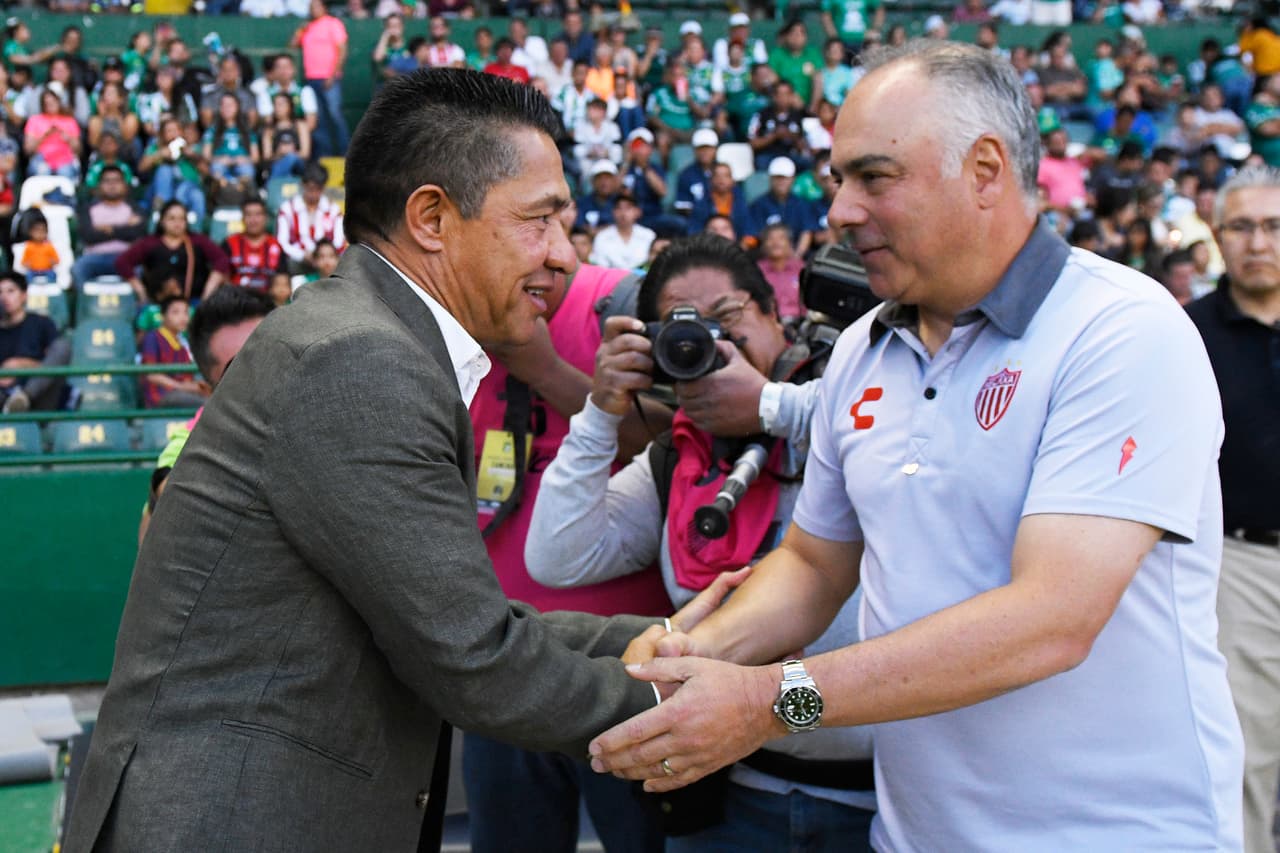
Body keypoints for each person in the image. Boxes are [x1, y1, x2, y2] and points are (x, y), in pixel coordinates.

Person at [590, 41, 1244, 852]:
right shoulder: (864, 348)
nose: (838, 211)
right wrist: (694, 656)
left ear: (985, 169)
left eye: (873, 177)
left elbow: (1052, 620)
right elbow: (814, 565)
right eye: (837, 180)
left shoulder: (1121, 332)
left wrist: (769, 699)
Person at [60, 68, 706, 852]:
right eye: (539, 221)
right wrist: (725, 695)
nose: (564, 258)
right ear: (432, 216)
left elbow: (460, 618)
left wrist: (674, 636)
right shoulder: (362, 361)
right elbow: (475, 657)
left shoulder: (362, 338)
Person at [528, 234, 876, 851]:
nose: (707, 343)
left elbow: (919, 418)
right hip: (734, 797)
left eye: (727, 319)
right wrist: (603, 407)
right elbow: (557, 555)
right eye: (682, 330)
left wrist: (771, 408)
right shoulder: (681, 460)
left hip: (880, 800)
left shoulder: (842, 408)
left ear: (775, 311)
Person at [463, 243, 673, 853]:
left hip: (633, 664)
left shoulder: (625, 302)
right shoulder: (452, 324)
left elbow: (677, 447)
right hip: (503, 662)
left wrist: (542, 368)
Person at [1187, 165, 1280, 853]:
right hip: (1241, 560)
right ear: (1217, 236)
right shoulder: (1186, 334)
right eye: (1242, 226)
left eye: (1274, 226)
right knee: (1248, 753)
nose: (1258, 242)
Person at [138, 286, 277, 545]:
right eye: (237, 370)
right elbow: (164, 495)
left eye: (272, 354)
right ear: (208, 392)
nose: (263, 374)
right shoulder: (193, 441)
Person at [115, 201, 230, 305]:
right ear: (162, 221)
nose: (177, 223)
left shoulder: (198, 241)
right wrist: (140, 290)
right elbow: (123, 262)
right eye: (172, 218)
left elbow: (222, 260)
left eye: (182, 219)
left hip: (193, 301)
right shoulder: (150, 243)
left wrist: (208, 292)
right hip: (157, 303)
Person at [0, 270, 70, 414]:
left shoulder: (42, 323)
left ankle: (22, 399)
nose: (4, 297)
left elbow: (54, 363)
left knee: (62, 346)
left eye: (10, 291)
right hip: (3, 396)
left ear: (24, 295)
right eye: (0, 292)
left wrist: (21, 365)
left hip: (39, 396)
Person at [72, 165, 146, 290]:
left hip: (126, 257)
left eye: (116, 181)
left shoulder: (135, 209)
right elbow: (88, 236)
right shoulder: (88, 209)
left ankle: (139, 308)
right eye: (107, 181)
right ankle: (84, 307)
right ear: (99, 186)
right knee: (79, 268)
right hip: (94, 258)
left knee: (140, 268)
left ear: (125, 185)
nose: (112, 185)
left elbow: (138, 233)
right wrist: (125, 227)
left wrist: (108, 229)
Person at [292, 0, 350, 157]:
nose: (313, 9)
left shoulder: (333, 23)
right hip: (311, 79)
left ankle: (346, 153)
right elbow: (292, 45)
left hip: (330, 78)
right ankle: (324, 154)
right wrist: (300, 31)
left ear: (324, 7)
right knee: (318, 119)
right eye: (311, 7)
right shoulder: (307, 27)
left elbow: (342, 51)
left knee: (335, 115)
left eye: (316, 6)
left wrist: (332, 76)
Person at [140, 296, 207, 409]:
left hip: (180, 392)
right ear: (163, 316)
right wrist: (180, 386)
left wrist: (199, 387)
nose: (183, 317)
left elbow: (186, 378)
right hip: (160, 396)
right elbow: (151, 375)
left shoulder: (182, 343)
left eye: (186, 312)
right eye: (175, 312)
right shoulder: (153, 337)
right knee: (209, 405)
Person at [276, 163, 345, 270]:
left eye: (318, 189)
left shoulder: (334, 210)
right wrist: (302, 255)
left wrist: (323, 256)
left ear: (323, 187)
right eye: (310, 188)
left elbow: (339, 241)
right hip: (298, 261)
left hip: (326, 261)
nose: (313, 193)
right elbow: (282, 242)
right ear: (302, 185)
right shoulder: (287, 209)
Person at [223, 199, 287, 293]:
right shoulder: (230, 243)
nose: (253, 220)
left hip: (268, 301)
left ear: (266, 218)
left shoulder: (276, 246)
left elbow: (282, 279)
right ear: (242, 218)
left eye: (258, 214)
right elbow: (222, 278)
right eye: (248, 215)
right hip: (237, 300)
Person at [589, 193, 654, 270]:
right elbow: (600, 267)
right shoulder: (602, 236)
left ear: (638, 212)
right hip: (611, 280)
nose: (623, 213)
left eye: (628, 208)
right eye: (618, 208)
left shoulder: (649, 235)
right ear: (613, 212)